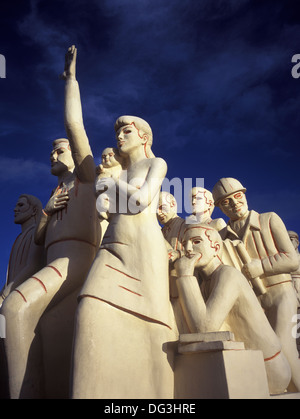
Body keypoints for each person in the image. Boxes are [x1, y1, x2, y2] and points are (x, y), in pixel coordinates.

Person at [59, 46, 176, 398]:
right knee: (90, 310)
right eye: (117, 131)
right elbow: (75, 127)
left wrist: (108, 183)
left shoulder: (155, 165)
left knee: (153, 332)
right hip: (112, 250)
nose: (119, 135)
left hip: (144, 253)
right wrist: (70, 81)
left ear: (143, 136)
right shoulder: (112, 172)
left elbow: (140, 200)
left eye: (126, 130)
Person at [1, 47, 101, 398]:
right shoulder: (57, 190)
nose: (52, 155)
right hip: (55, 261)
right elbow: (41, 241)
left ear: (74, 154)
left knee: (15, 308)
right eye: (51, 152)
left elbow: (74, 125)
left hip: (74, 260)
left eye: (59, 151)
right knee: (48, 331)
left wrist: (70, 79)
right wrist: (45, 212)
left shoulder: (87, 178)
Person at [175, 223, 292, 395]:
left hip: (269, 369)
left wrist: (184, 276)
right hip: (245, 362)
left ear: (215, 247)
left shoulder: (229, 275)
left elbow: (204, 328)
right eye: (184, 244)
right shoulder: (205, 282)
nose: (188, 249)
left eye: (196, 242)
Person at [212, 177, 300, 392]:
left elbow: (292, 259)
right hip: (254, 302)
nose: (234, 203)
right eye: (226, 201)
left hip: (281, 293)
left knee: (284, 346)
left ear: (245, 194)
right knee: (260, 349)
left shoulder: (269, 219)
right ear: (220, 208)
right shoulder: (222, 236)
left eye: (237, 196)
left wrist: (260, 267)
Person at [0, 194, 45, 301]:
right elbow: (10, 277)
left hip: (25, 295)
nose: (15, 209)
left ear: (34, 210)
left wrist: (4, 295)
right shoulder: (19, 238)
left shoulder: (36, 232)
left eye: (21, 205)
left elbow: (33, 265)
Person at [157, 191, 189, 333]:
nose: (159, 213)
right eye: (155, 210)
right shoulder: (159, 232)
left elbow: (199, 251)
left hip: (183, 282)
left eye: (162, 207)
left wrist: (178, 254)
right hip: (164, 284)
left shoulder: (187, 225)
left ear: (173, 204)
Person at [288, 230, 300, 306]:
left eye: (291, 240)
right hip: (287, 287)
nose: (289, 243)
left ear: (297, 243)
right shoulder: (281, 258)